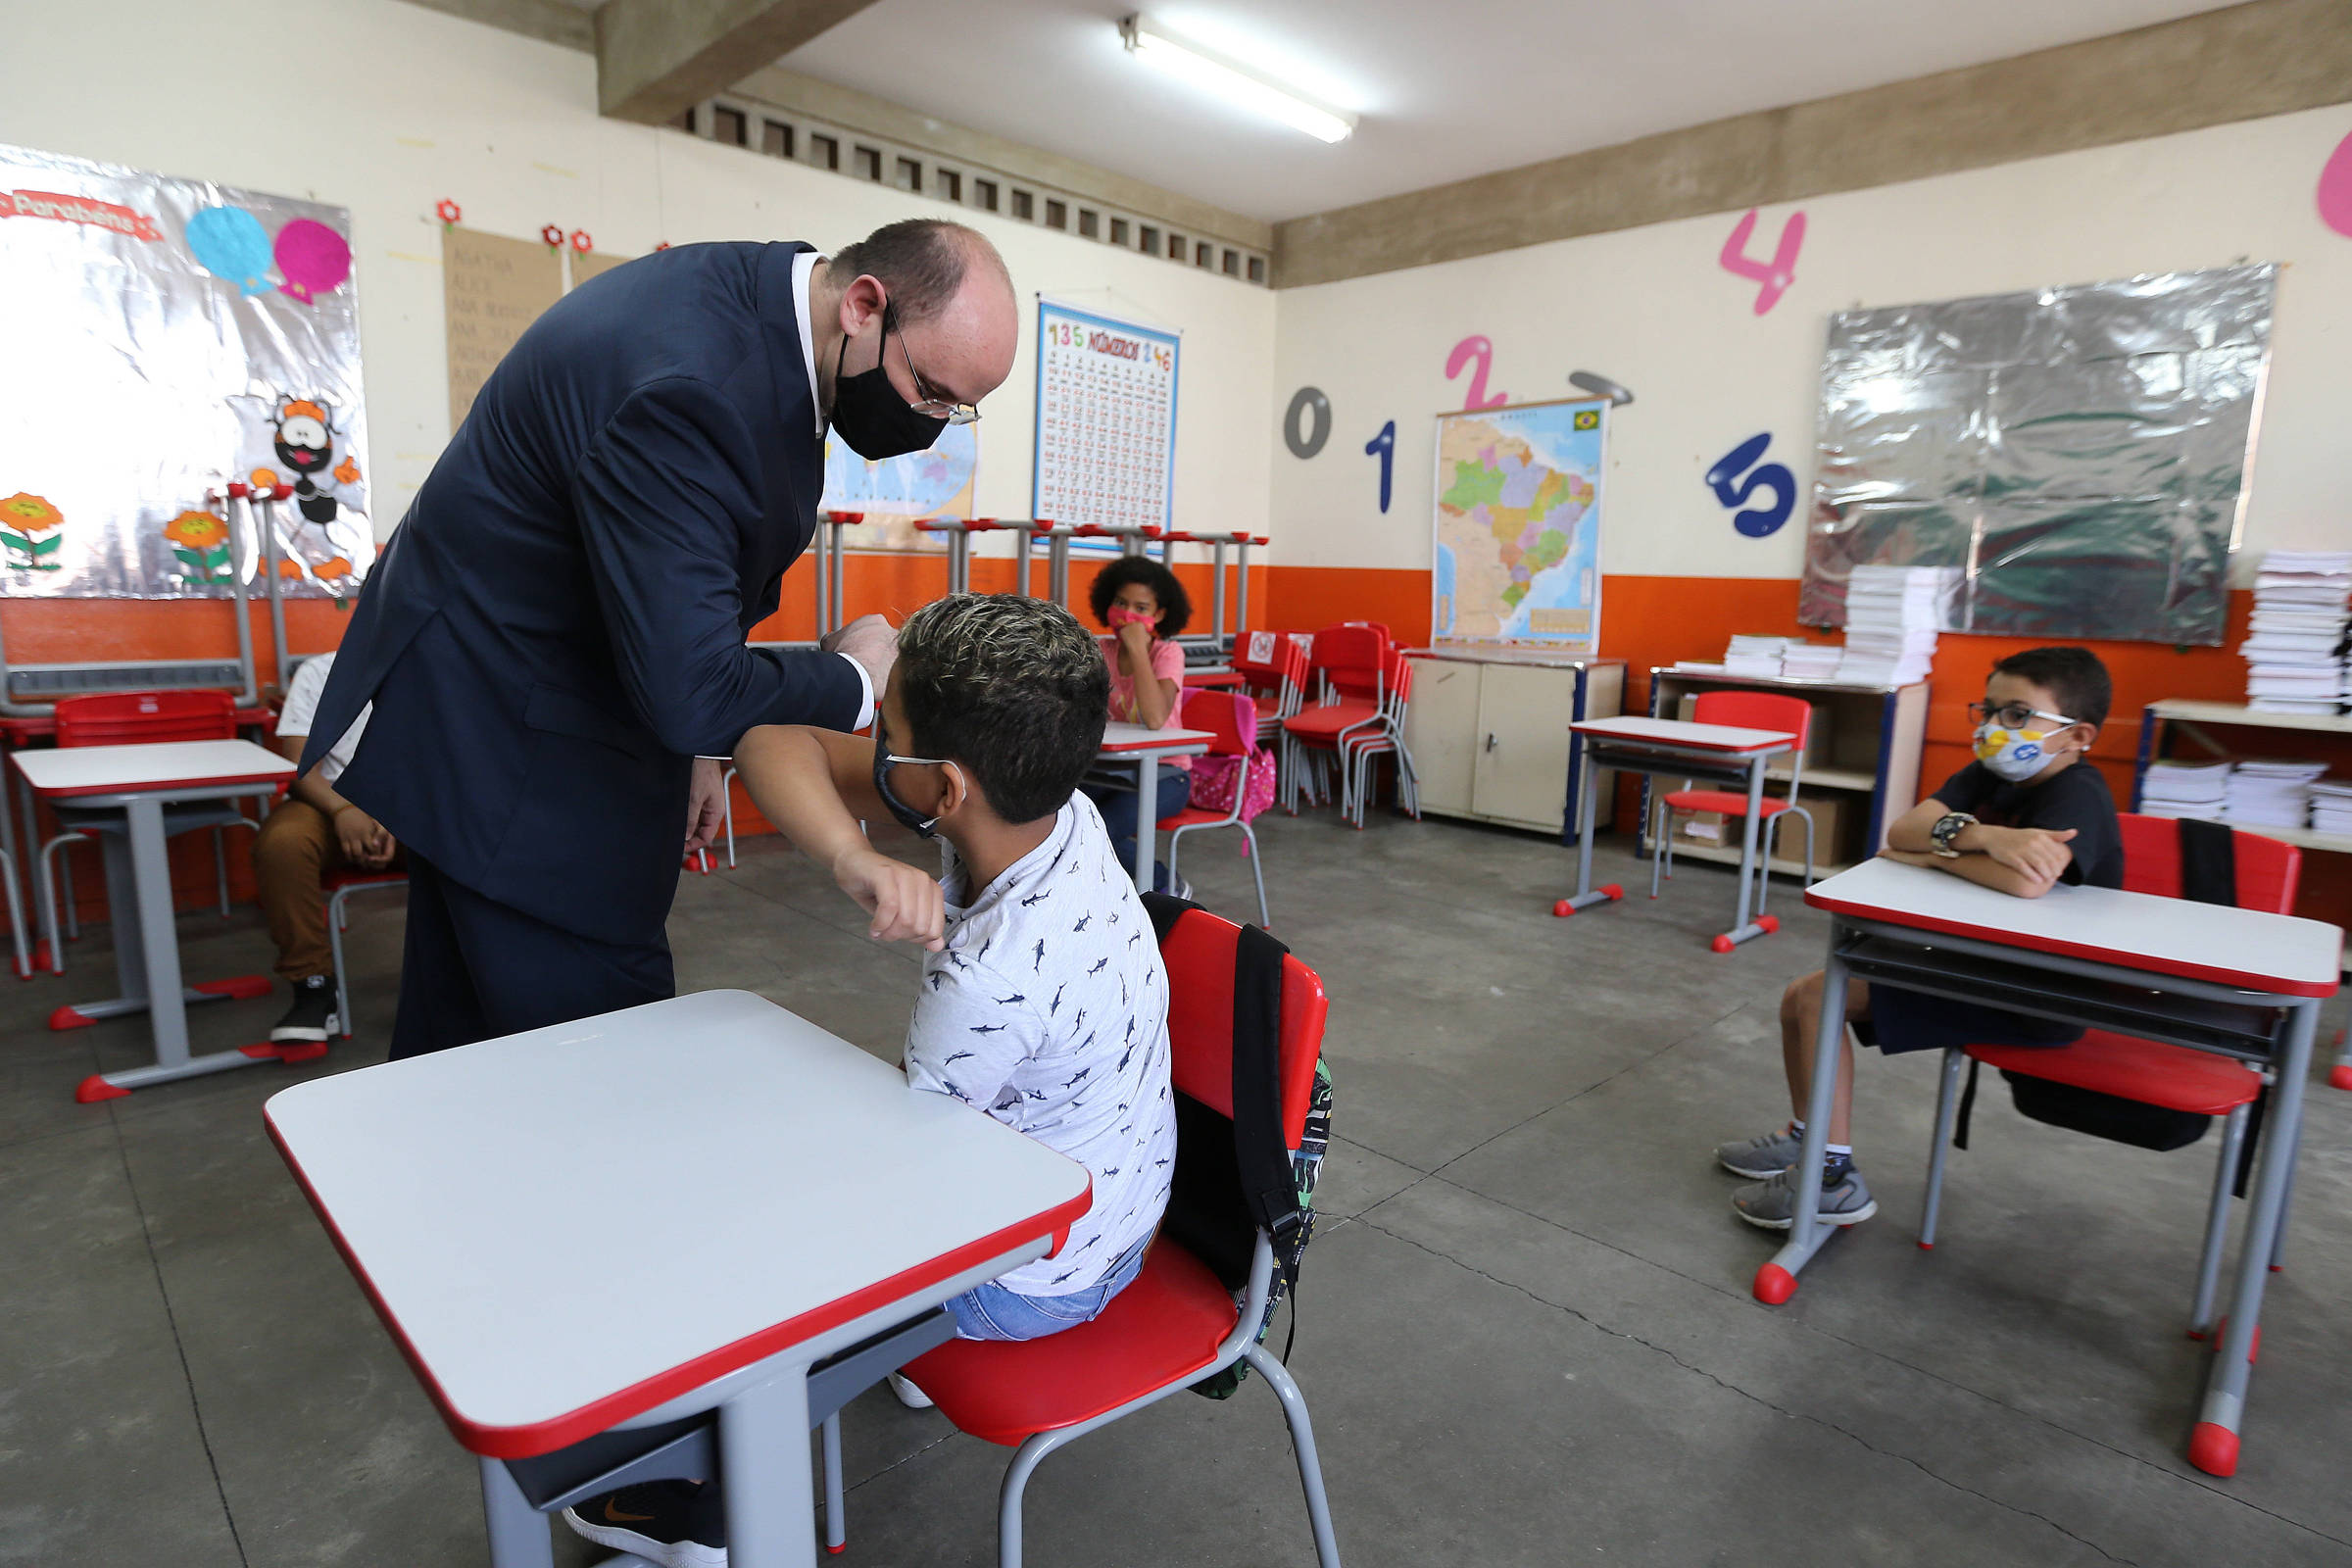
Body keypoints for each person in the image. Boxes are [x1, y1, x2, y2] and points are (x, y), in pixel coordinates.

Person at [296, 220, 1019, 1058]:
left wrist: (703, 751)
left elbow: (683, 578)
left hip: (499, 717)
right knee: (606, 1066)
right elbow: (689, 686)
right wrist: (854, 679)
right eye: (931, 391)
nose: (934, 423)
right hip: (516, 758)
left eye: (959, 408)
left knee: (468, 1053)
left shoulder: (768, 301)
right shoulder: (696, 387)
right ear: (864, 304)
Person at [563, 595, 1175, 1568]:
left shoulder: (993, 974)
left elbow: (904, 1171)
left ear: (941, 785)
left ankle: (705, 1509)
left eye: (883, 729)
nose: (869, 743)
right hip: (1124, 1206)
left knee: (746, 1232)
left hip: (1042, 1277)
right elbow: (770, 739)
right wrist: (852, 852)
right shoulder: (1058, 810)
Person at [1714, 647, 2123, 1230]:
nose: (1992, 728)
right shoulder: (1991, 773)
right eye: (1988, 710)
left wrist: (1936, 859)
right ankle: (1808, 1140)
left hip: (2036, 992)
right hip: (1978, 962)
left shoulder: (2078, 792)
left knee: (1813, 998)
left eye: (2016, 714)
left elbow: (2024, 884)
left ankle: (1832, 1178)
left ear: (2078, 734)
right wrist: (1983, 837)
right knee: (1799, 1000)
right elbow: (1902, 827)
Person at [253, 651, 398, 1046]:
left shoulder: (434, 667)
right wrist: (343, 808)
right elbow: (299, 764)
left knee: (469, 832)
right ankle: (313, 986)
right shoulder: (320, 671)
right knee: (283, 844)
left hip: (410, 809)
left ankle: (456, 975)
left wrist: (396, 810)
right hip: (328, 802)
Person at [1083, 555, 1194, 894]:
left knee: (1105, 829)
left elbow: (1155, 718)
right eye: (1120, 603)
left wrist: (1138, 651)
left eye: (1141, 608)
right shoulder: (1101, 650)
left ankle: (1164, 883)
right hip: (1112, 768)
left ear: (1159, 615)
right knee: (1060, 818)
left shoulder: (1168, 653)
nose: (1128, 614)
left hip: (1166, 773)